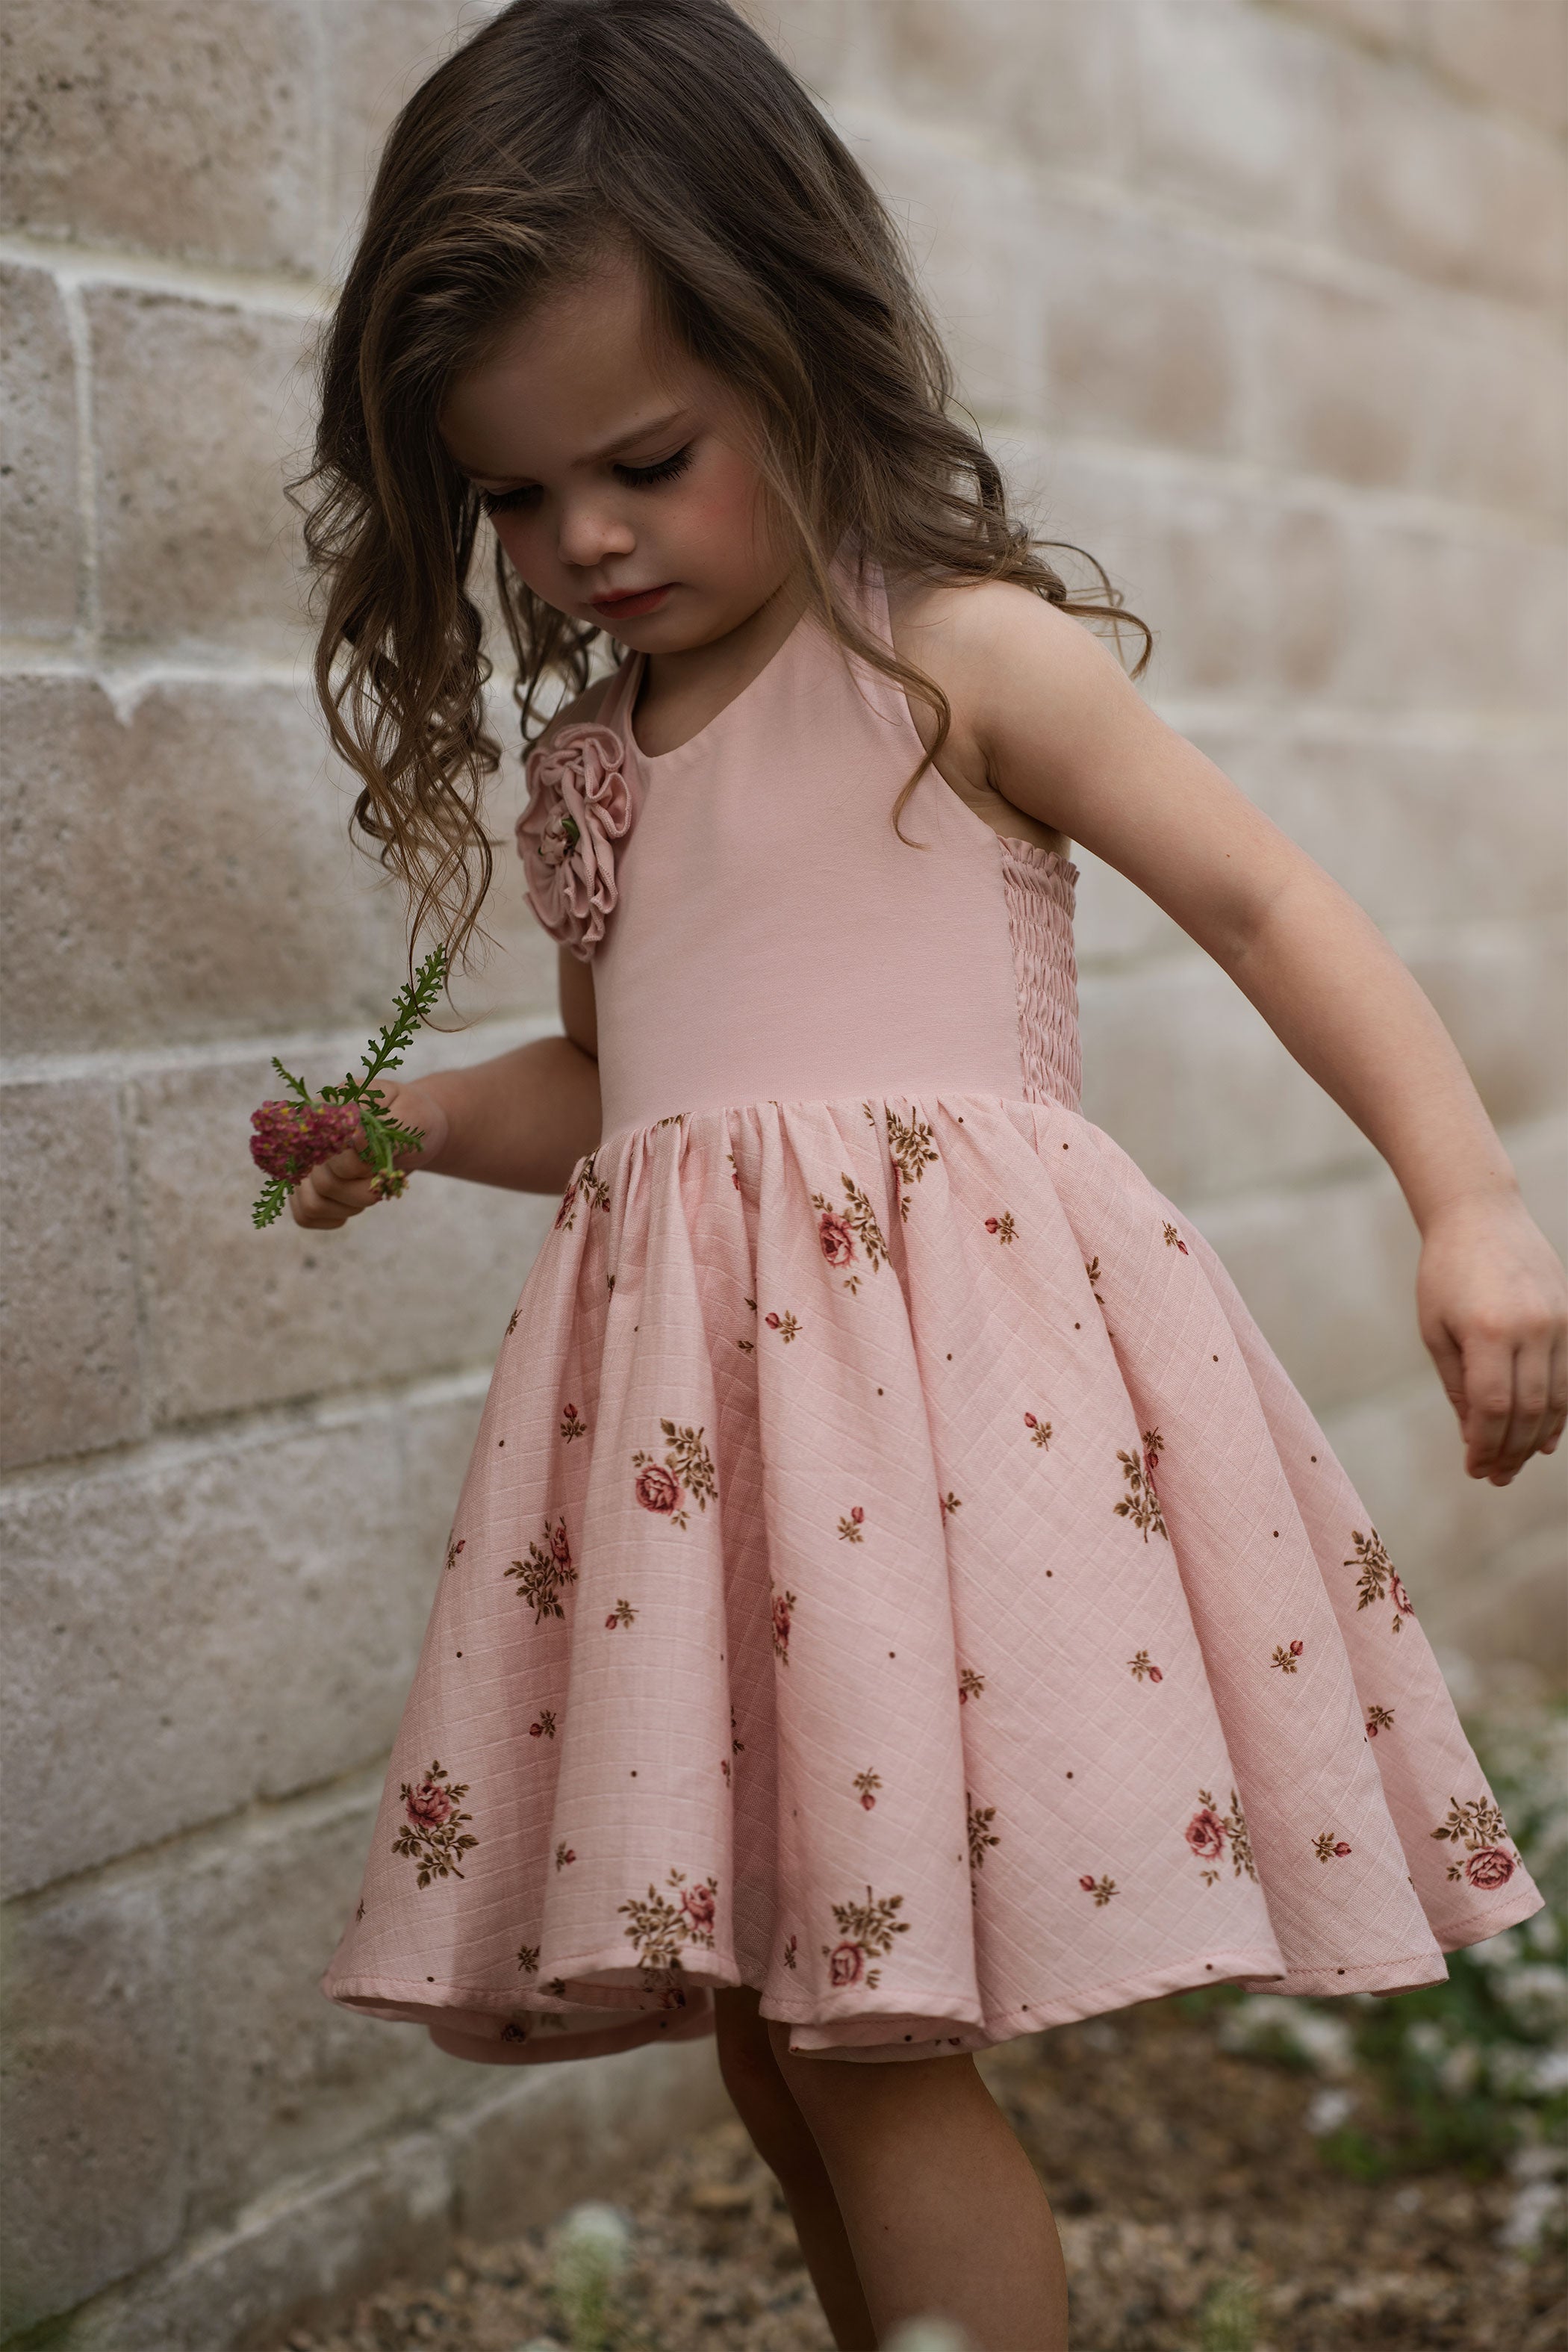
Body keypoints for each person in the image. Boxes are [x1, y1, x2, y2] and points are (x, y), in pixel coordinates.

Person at [288, 4, 1564, 2344]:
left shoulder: (947, 662)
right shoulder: (598, 771)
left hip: (925, 1442)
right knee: (779, 2040)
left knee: (869, 2044)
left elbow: (1267, 903)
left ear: (799, 349)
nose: (583, 541)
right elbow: (629, 1095)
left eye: (645, 462)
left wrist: (1465, 1198)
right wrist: (415, 1121)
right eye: (511, 500)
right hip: (714, 1472)